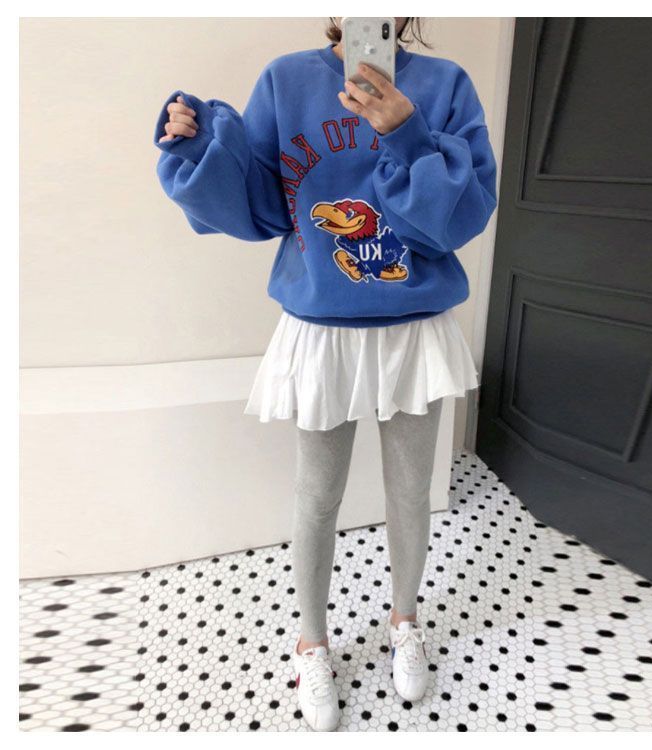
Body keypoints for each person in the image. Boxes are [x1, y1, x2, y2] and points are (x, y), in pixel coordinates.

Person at [153, 17, 497, 732]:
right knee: (316, 497)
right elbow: (256, 208)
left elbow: (459, 220)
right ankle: (313, 642)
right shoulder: (287, 81)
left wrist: (407, 134)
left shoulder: (444, 85)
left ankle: (405, 621)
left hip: (414, 325)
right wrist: (197, 148)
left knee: (411, 493)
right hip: (321, 325)